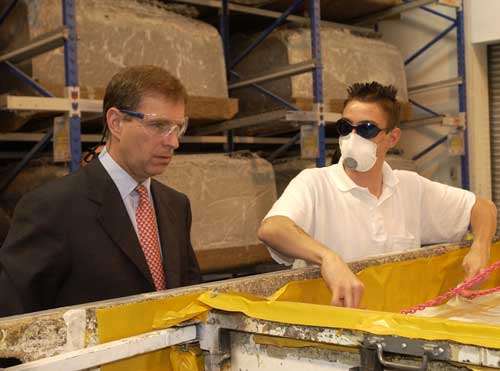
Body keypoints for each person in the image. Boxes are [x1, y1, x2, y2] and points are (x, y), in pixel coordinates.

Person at [258, 81, 497, 309]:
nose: (353, 138)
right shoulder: (315, 183)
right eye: (345, 127)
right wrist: (327, 258)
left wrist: (480, 246)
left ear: (392, 138)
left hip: (393, 324)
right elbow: (272, 228)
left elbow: (482, 207)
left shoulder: (409, 187)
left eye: (366, 129)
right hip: (331, 329)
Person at [0, 65, 201, 316]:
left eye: (178, 128)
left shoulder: (176, 205)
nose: (173, 142)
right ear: (116, 123)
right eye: (159, 125)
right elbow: (13, 320)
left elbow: (189, 294)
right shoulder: (51, 208)